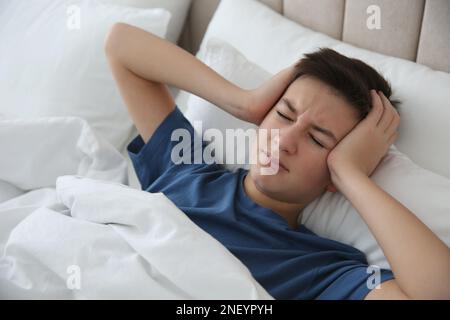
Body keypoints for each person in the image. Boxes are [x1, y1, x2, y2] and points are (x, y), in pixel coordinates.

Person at [104, 23, 450, 300]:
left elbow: (436, 292)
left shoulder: (320, 269)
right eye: (284, 114)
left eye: (317, 139)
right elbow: (121, 44)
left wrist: (350, 175)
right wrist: (245, 103)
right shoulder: (187, 168)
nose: (284, 141)